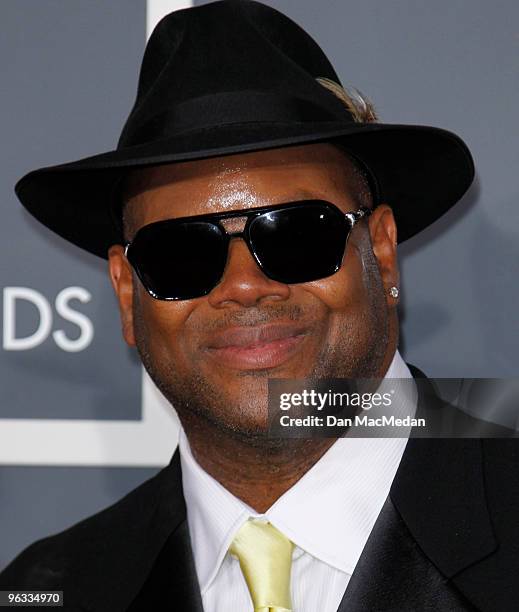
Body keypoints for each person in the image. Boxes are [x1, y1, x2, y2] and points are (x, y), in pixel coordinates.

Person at [1, 1, 517, 610]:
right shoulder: (48, 589)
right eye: (181, 253)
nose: (244, 285)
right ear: (125, 292)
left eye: (297, 235)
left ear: (379, 251)